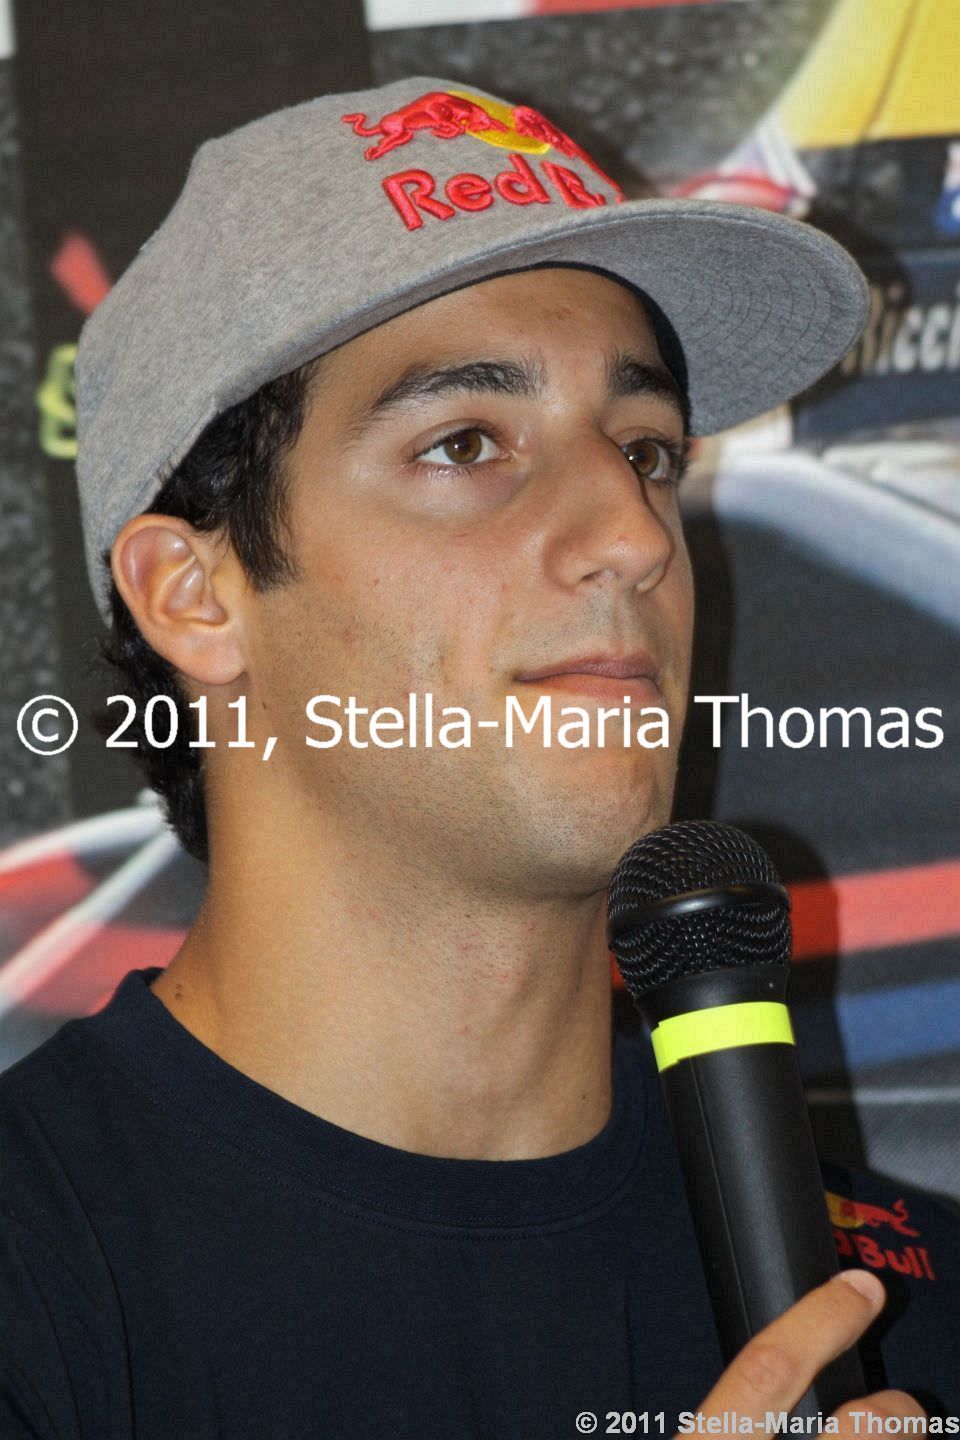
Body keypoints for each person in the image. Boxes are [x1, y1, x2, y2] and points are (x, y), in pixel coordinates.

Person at [2, 76, 956, 1439]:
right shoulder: (38, 1282)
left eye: (647, 450)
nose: (634, 534)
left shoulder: (900, 1314)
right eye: (466, 444)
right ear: (195, 596)